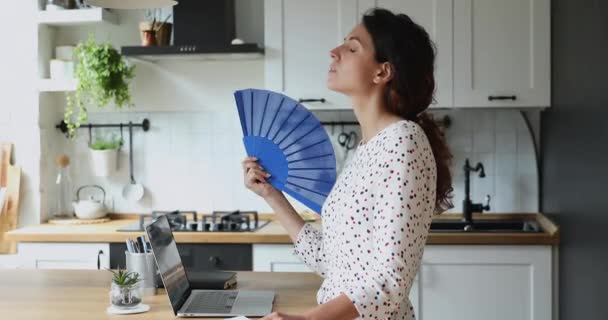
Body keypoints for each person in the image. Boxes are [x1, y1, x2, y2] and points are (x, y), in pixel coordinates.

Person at [242, 8, 453, 320]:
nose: (335, 51)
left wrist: (306, 319)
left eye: (353, 48)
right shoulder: (368, 148)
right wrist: (271, 195)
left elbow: (389, 283)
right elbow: (335, 263)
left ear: (382, 72)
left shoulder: (404, 143)